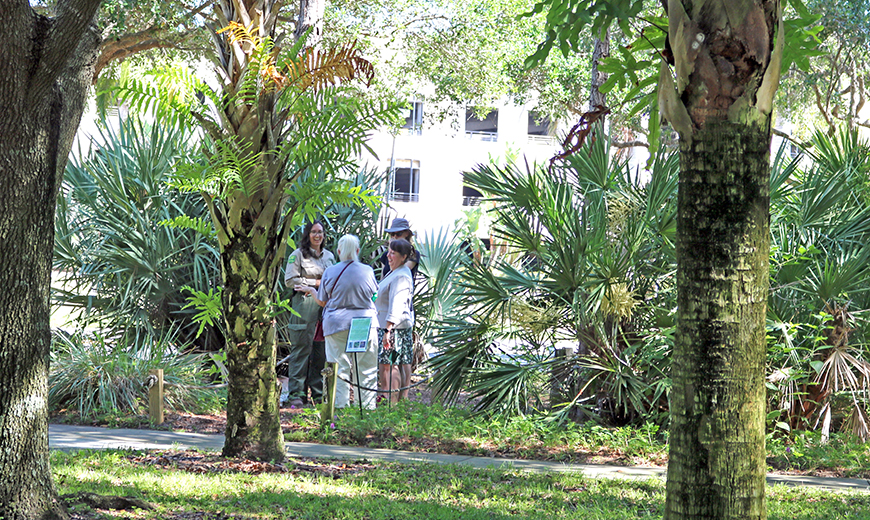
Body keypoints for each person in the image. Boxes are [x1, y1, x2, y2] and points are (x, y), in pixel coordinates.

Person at [296, 234, 379, 409]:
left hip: (336, 325)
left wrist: (312, 290)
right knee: (365, 368)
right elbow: (374, 295)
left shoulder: (330, 271)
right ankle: (367, 409)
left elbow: (323, 301)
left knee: (338, 368)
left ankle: (339, 408)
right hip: (365, 324)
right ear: (357, 251)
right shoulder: (367, 271)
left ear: (339, 251)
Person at [283, 220, 335, 408]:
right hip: (303, 307)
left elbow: (334, 279)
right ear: (307, 234)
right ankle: (296, 393)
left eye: (320, 232)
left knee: (320, 352)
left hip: (324, 308)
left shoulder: (329, 256)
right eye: (313, 232)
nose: (317, 235)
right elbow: (290, 280)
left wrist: (317, 284)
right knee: (301, 351)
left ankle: (318, 394)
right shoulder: (298, 255)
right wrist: (315, 283)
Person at [376, 238, 415, 403]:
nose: (389, 256)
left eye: (393, 253)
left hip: (394, 328)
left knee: (391, 366)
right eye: (389, 252)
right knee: (386, 365)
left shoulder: (401, 276)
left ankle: (392, 404)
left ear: (403, 257)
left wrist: (388, 330)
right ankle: (388, 400)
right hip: (389, 326)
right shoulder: (394, 272)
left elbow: (396, 304)